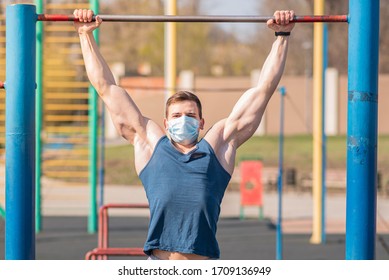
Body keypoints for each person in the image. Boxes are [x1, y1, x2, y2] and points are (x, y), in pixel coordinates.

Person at [73, 9, 295, 260]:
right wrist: (85, 35)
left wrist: (282, 35)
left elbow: (263, 91)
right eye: (177, 116)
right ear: (166, 123)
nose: (184, 120)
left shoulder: (217, 148)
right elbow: (107, 89)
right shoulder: (150, 144)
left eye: (190, 115)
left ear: (201, 123)